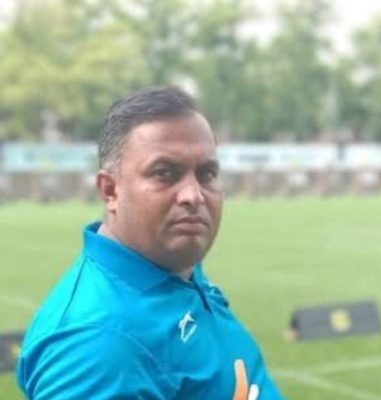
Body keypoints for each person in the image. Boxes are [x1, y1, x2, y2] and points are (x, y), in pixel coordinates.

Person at [16, 87, 284, 399]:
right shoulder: (96, 345)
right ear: (110, 190)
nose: (194, 195)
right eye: (165, 173)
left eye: (206, 173)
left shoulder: (171, 265)